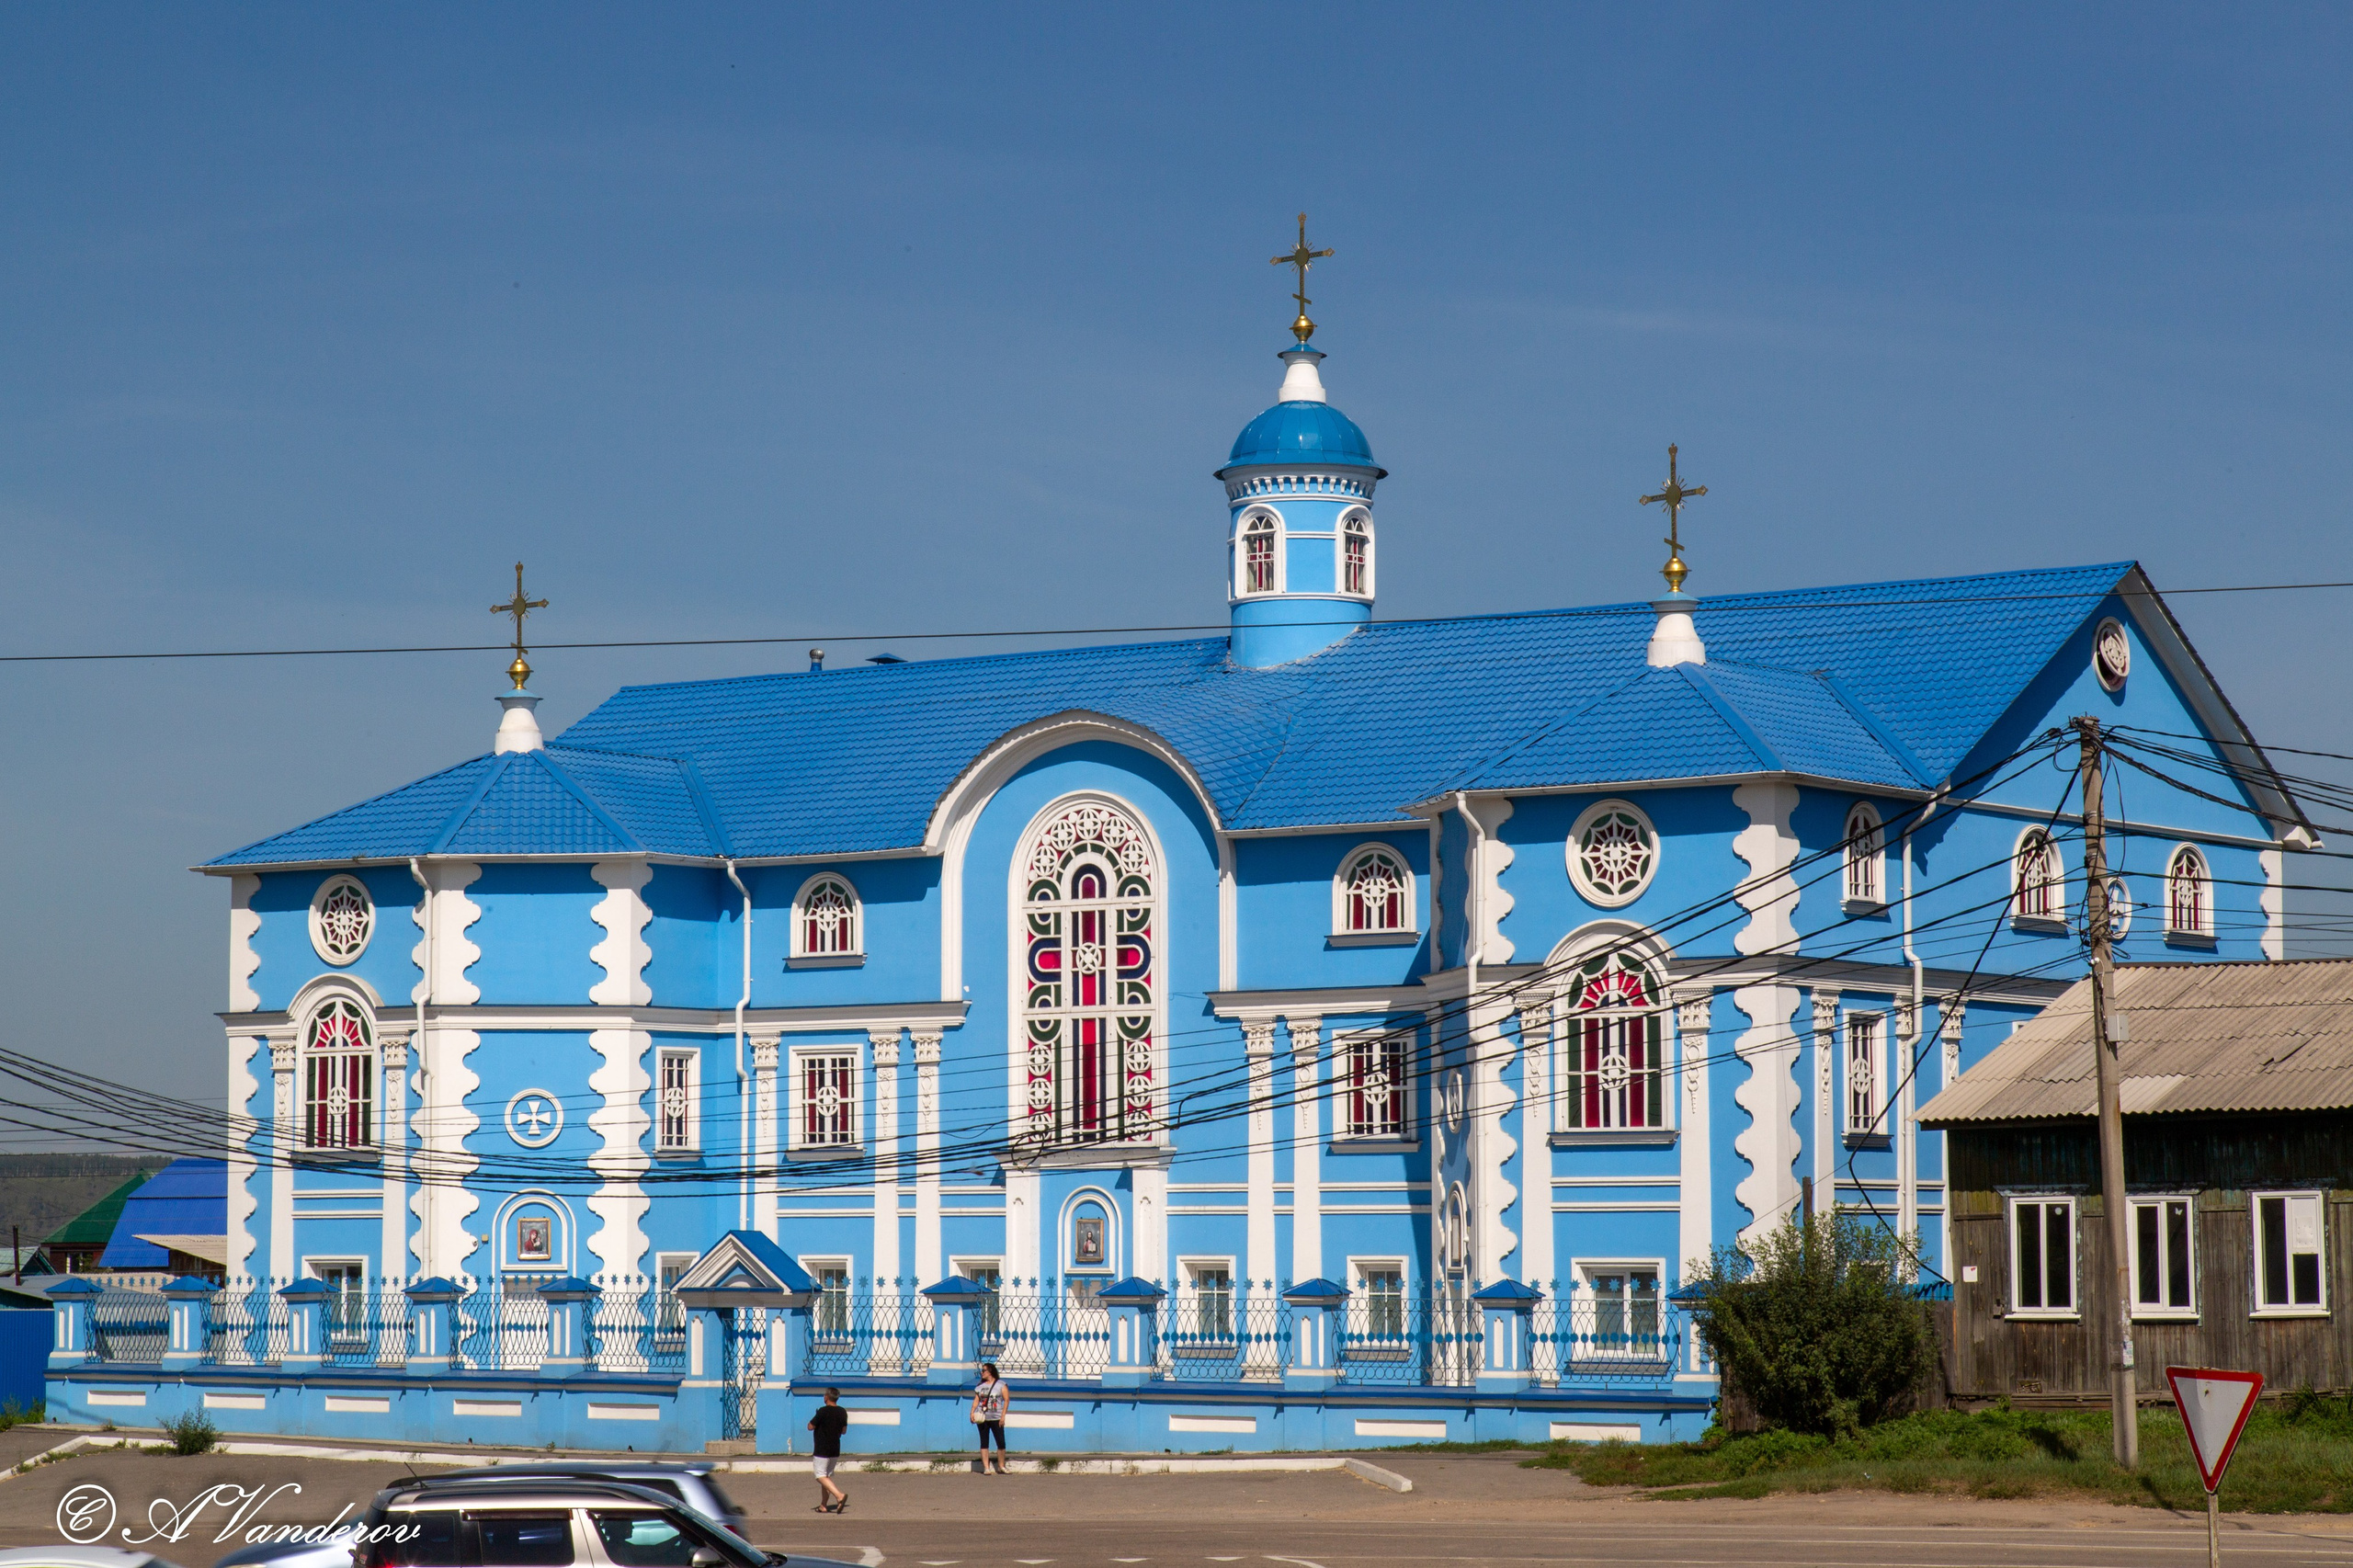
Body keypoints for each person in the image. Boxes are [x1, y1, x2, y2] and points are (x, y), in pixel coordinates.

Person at [808, 1386, 850, 1513]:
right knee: (826, 1477)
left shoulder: (822, 1411)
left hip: (822, 1449)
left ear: (826, 1397)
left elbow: (810, 1426)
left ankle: (839, 1496)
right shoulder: (842, 1411)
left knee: (820, 1476)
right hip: (835, 1448)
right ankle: (823, 1505)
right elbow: (844, 1431)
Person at [971, 1360, 1011, 1474]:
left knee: (1001, 1443)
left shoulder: (1001, 1385)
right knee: (984, 1442)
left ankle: (1001, 1466)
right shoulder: (980, 1387)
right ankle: (986, 1467)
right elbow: (976, 1401)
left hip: (996, 1417)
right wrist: (972, 1413)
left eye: (984, 1371)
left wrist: (1003, 1416)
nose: (982, 1373)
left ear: (990, 1372)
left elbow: (1006, 1400)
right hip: (983, 1417)